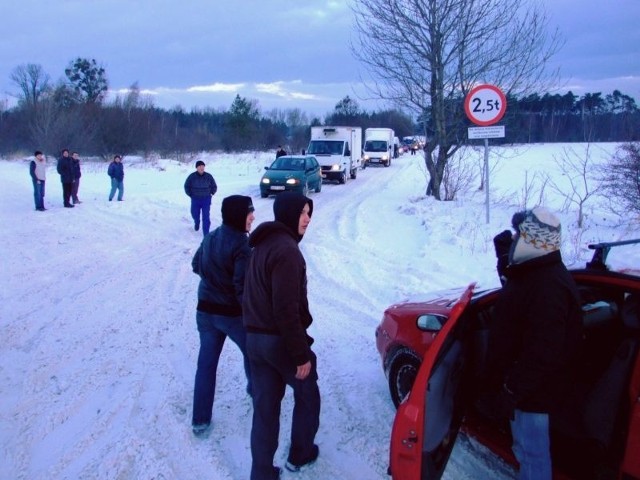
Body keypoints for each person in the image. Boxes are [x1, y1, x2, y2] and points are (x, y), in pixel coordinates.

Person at [485, 206, 582, 480]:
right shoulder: (539, 271)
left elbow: (542, 353)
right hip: (527, 388)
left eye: (519, 235)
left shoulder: (549, 288)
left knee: (533, 455)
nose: (515, 238)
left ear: (532, 241)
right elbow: (517, 289)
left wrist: (510, 390)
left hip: (533, 393)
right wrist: (504, 257)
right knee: (525, 448)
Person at [243, 192, 320, 480]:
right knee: (307, 392)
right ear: (287, 213)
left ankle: (261, 473)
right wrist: (300, 354)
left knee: (265, 409)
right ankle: (300, 454)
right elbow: (286, 310)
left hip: (256, 342)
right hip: (279, 343)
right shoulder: (287, 251)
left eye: (309, 213)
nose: (307, 219)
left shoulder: (260, 246)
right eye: (302, 212)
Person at [190, 195, 255, 437]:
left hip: (205, 312)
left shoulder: (211, 236)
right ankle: (257, 393)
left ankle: (200, 420)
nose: (253, 216)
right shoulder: (242, 245)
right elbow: (241, 287)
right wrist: (252, 315)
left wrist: (213, 283)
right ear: (238, 214)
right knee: (254, 352)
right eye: (249, 212)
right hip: (231, 315)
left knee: (205, 365)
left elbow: (196, 264)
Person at [184, 160, 218, 235]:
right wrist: (190, 194)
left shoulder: (208, 176)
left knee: (206, 217)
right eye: (200, 166)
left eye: (203, 166)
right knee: (194, 213)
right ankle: (197, 221)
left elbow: (214, 186)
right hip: (195, 199)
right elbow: (186, 186)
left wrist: (212, 193)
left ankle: (206, 234)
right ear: (197, 167)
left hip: (206, 199)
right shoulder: (192, 177)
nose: (202, 167)